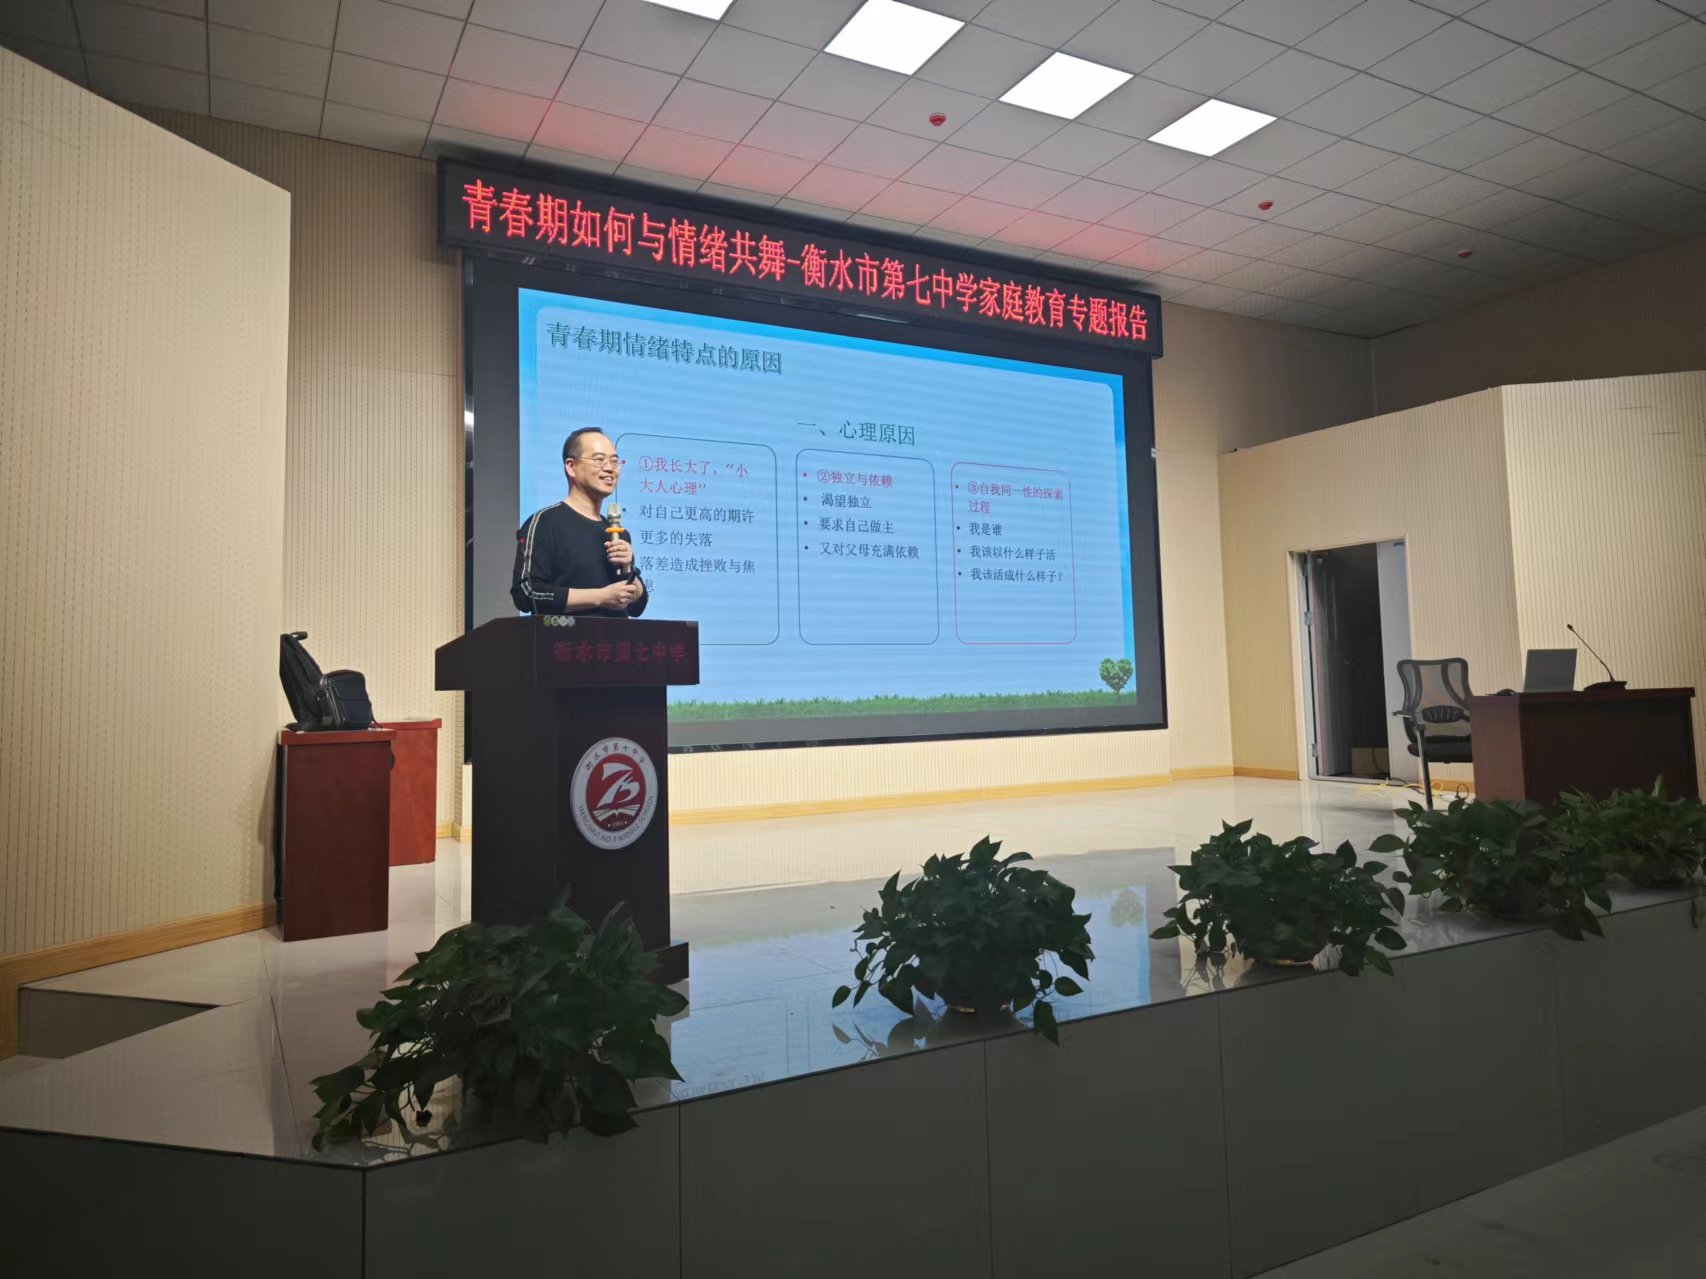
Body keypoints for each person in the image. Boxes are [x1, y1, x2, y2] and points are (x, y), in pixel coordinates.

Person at [511, 428, 647, 617]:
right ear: (571, 466)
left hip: (616, 636)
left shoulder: (619, 534)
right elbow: (526, 593)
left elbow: (637, 607)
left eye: (614, 461)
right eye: (599, 460)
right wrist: (601, 597)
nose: (610, 468)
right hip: (564, 635)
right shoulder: (544, 522)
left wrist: (628, 568)